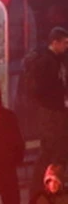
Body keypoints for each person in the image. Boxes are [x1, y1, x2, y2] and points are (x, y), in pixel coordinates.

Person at [23, 27, 68, 172]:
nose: (66, 46)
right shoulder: (46, 62)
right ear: (55, 42)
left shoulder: (56, 60)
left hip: (55, 109)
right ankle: (42, 183)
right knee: (51, 148)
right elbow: (42, 88)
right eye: (64, 42)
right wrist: (54, 102)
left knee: (56, 147)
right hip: (51, 112)